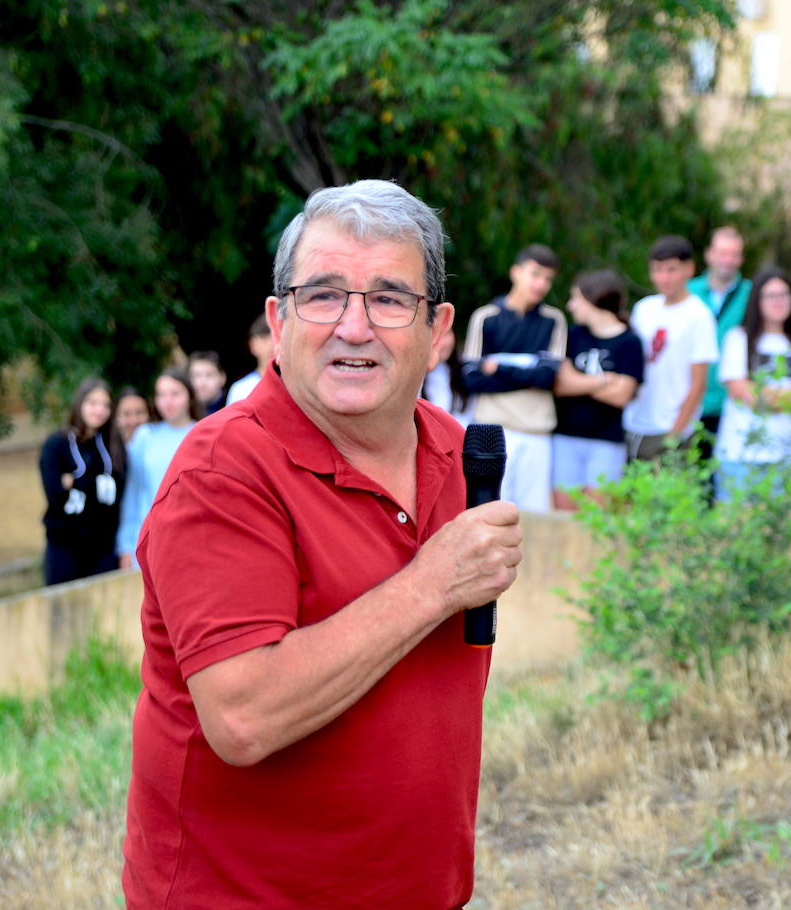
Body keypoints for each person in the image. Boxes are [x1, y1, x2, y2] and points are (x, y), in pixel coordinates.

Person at [121, 180, 523, 909]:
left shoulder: (461, 456)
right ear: (279, 321)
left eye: (390, 299)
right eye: (325, 295)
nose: (354, 326)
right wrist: (433, 583)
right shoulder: (222, 474)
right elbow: (243, 720)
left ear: (439, 332)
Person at [461, 244, 567, 513]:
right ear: (516, 272)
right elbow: (471, 379)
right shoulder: (486, 317)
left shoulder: (554, 320)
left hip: (536, 434)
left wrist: (498, 368)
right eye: (535, 274)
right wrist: (528, 375)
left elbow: (546, 378)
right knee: (488, 512)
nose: (541, 284)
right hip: (493, 433)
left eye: (547, 279)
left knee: (535, 518)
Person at [716, 269, 791, 499]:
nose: (778, 302)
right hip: (742, 456)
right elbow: (742, 392)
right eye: (770, 296)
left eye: (784, 295)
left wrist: (767, 396)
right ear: (757, 301)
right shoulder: (738, 339)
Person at [551, 270, 645, 509]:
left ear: (594, 299)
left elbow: (622, 395)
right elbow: (561, 385)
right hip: (566, 438)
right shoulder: (573, 336)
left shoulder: (630, 342)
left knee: (599, 520)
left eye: (576, 298)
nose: (571, 306)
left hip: (607, 442)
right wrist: (604, 381)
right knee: (563, 518)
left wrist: (578, 382)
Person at [622, 235, 721, 461]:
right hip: (634, 423)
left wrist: (674, 435)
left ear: (689, 269)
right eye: (657, 270)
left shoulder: (699, 315)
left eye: (671, 270)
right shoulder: (643, 309)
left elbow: (698, 384)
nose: (663, 278)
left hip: (670, 429)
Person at [40, 378, 125, 585]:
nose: (100, 410)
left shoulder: (112, 443)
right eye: (93, 403)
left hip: (103, 545)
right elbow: (55, 494)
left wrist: (75, 482)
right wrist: (94, 483)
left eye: (105, 405)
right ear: (80, 404)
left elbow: (120, 489)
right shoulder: (57, 444)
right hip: (64, 544)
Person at [115, 368, 199, 568]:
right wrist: (126, 545)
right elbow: (133, 494)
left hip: (192, 541)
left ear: (190, 395)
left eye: (175, 394)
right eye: (161, 395)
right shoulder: (144, 436)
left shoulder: (204, 432)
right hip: (150, 542)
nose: (167, 401)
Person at [688, 226, 751, 446]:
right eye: (723, 253)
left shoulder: (752, 294)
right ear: (709, 254)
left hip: (732, 404)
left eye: (734, 254)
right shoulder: (688, 291)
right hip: (689, 402)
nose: (728, 260)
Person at [421, 327, 473, 424]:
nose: (443, 343)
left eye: (446, 334)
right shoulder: (414, 377)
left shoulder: (467, 371)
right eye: (435, 335)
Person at [225, 316, 276, 405]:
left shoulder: (298, 386)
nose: (271, 344)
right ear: (252, 345)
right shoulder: (241, 389)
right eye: (264, 338)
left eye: (275, 335)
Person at [188, 350, 228, 416]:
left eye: (209, 375)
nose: (202, 383)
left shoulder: (233, 402)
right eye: (196, 376)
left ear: (222, 378)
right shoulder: (188, 413)